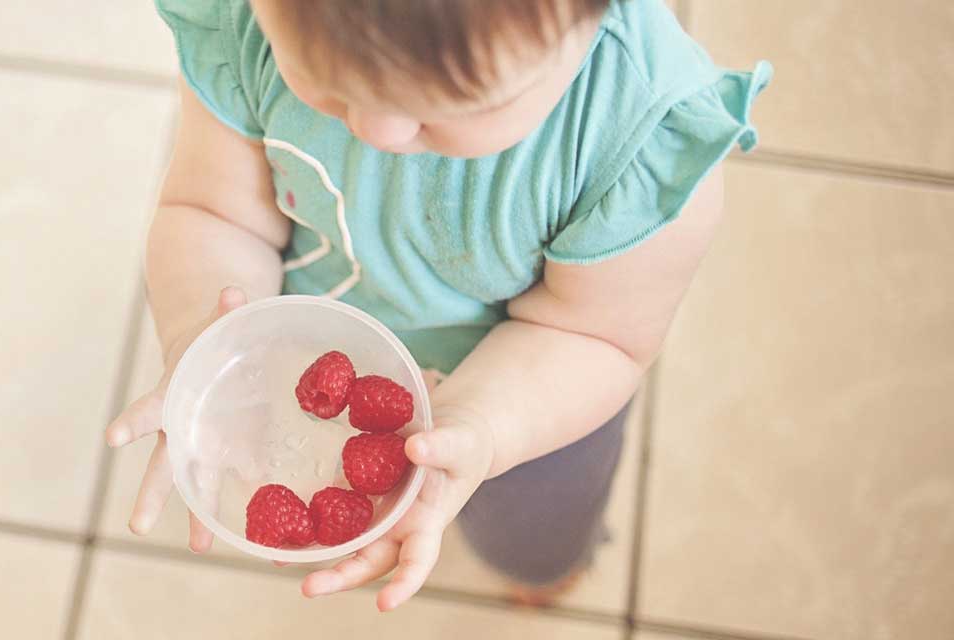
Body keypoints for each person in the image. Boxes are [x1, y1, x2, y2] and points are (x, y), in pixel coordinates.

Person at [105, 0, 771, 611]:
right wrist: (204, 340)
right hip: (321, 341)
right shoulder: (246, 21)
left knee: (533, 532)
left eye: (453, 105)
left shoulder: (638, 136)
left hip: (532, 396)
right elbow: (214, 211)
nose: (379, 129)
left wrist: (483, 426)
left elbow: (597, 336)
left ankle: (541, 570)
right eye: (326, 80)